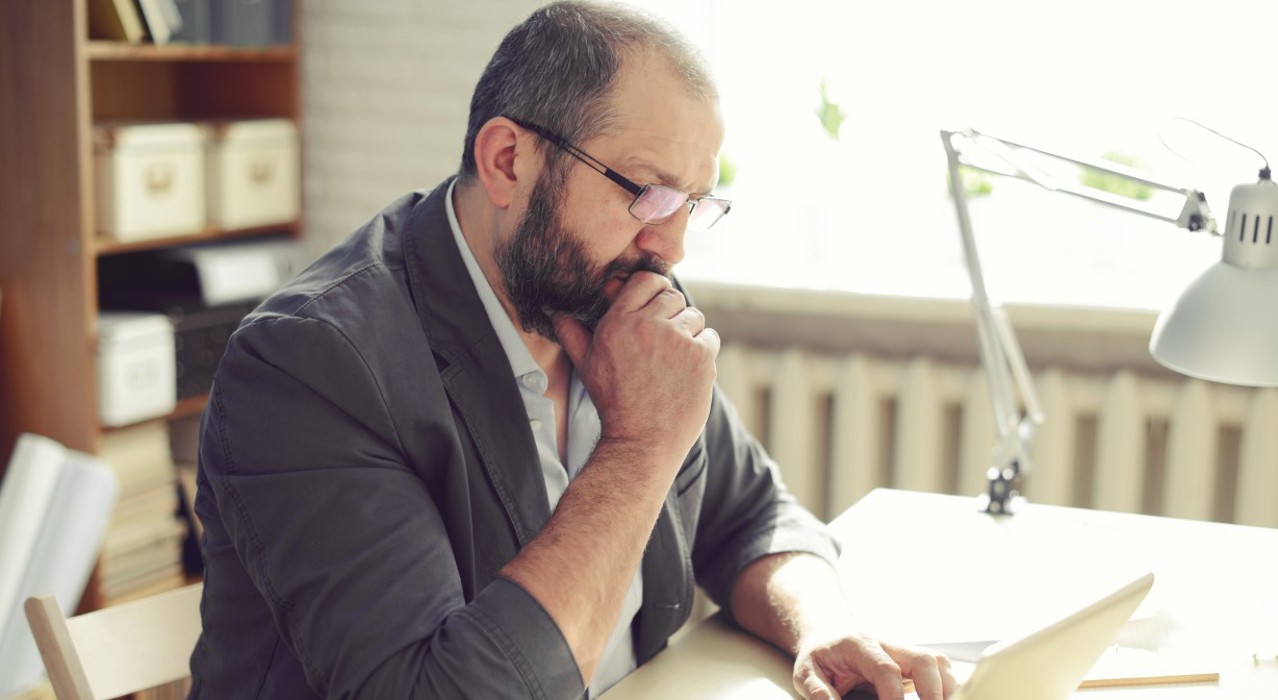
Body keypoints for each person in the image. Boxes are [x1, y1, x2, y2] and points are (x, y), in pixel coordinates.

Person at [189, 2, 957, 698]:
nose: (674, 246)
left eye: (694, 204)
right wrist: (640, 446)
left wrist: (817, 624)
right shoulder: (310, 366)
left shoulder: (613, 292)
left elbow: (753, 514)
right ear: (508, 162)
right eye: (648, 194)